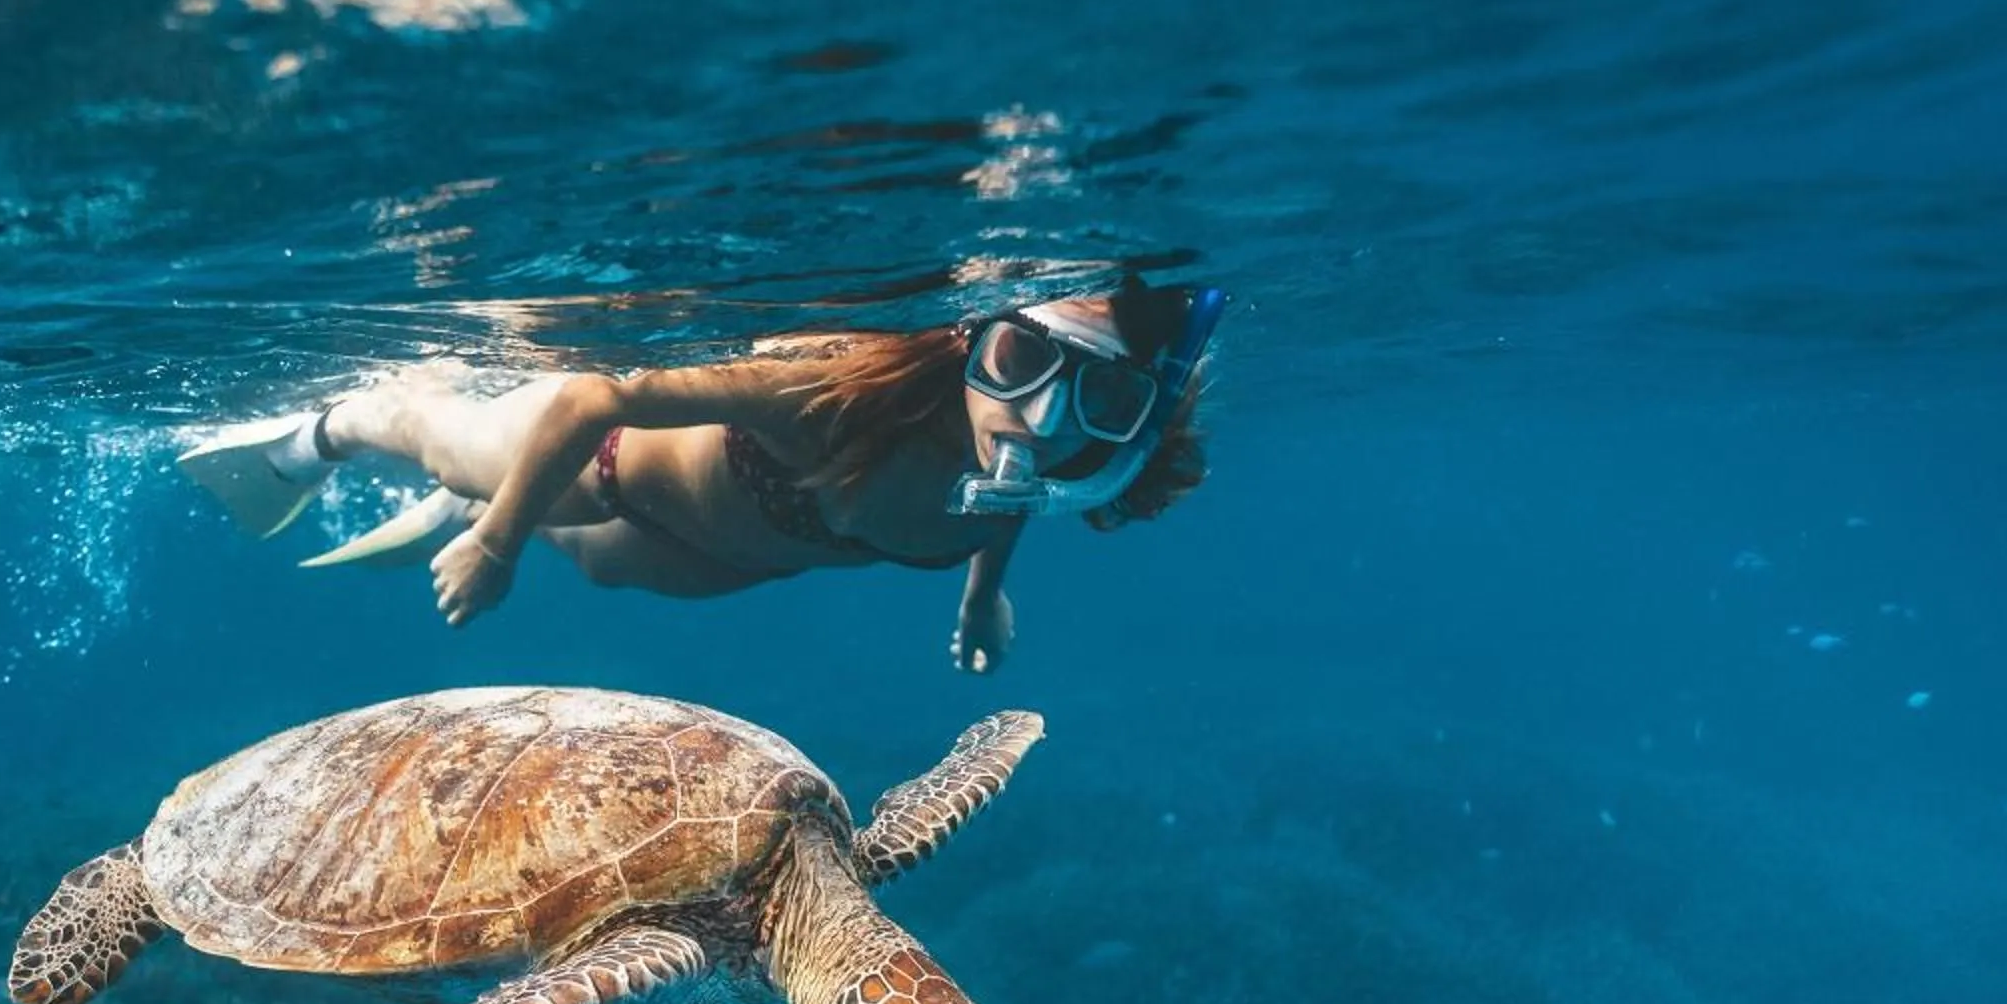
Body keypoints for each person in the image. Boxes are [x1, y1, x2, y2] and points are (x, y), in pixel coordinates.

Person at [177, 276, 1223, 673]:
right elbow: (603, 396)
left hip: (739, 553)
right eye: (1017, 361)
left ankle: (490, 504)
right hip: (606, 457)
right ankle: (314, 441)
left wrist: (983, 599)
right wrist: (496, 549)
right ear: (974, 337)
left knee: (598, 574)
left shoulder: (1032, 468)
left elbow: (1008, 502)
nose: (1035, 417)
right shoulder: (831, 396)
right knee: (446, 442)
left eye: (1103, 402)